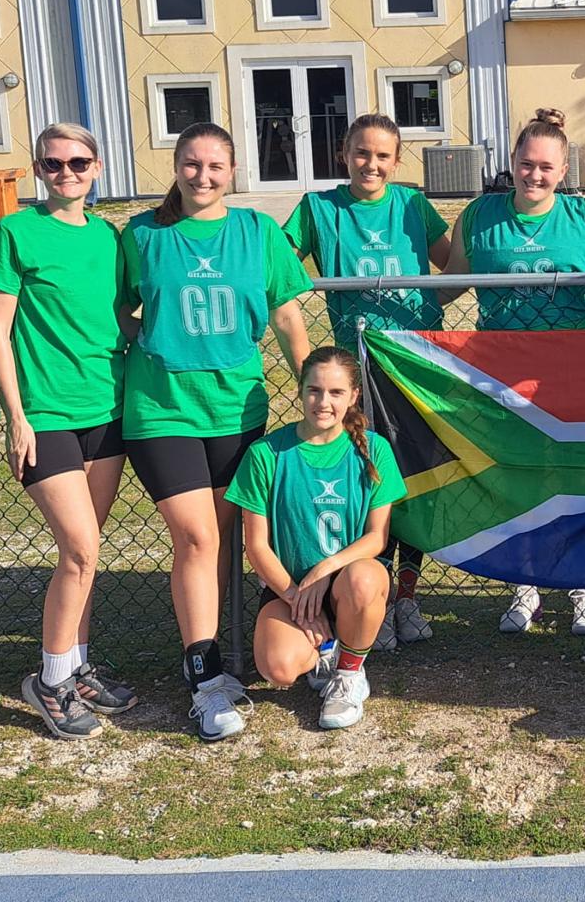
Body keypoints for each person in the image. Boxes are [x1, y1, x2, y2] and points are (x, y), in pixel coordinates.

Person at [119, 122, 312, 740]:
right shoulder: (144, 234)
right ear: (175, 166)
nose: (203, 176)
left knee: (227, 538)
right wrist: (143, 345)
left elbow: (287, 317)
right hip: (162, 410)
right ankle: (204, 678)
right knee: (198, 537)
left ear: (234, 172)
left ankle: (237, 652)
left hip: (238, 409)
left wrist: (317, 395)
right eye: (192, 164)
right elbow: (121, 305)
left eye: (216, 167)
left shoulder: (257, 233)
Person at [0, 123, 138, 740]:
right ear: (39, 170)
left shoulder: (108, 236)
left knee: (87, 553)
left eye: (77, 162)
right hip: (46, 417)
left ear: (96, 168)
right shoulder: (15, 233)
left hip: (107, 410)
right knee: (80, 549)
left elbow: (122, 315)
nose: (65, 173)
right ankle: (48, 681)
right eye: (53, 163)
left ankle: (75, 666)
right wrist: (14, 417)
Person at [282, 114, 449, 652]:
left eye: (382, 156)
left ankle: (407, 595)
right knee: (368, 478)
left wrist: (423, 311)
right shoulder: (319, 209)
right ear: (344, 155)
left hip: (415, 364)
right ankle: (364, 592)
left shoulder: (412, 206)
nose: (371, 164)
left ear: (397, 162)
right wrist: (309, 359)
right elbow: (276, 268)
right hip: (357, 371)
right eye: (361, 153)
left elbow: (459, 265)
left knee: (414, 477)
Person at [445, 108, 585, 636]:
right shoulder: (478, 216)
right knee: (517, 472)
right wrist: (397, 313)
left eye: (546, 167)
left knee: (576, 471)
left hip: (575, 365)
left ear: (564, 170)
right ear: (511, 164)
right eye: (526, 164)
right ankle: (526, 584)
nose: (534, 175)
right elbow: (449, 283)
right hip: (503, 367)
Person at [230, 347, 403, 731]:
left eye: (336, 393)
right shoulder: (266, 454)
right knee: (278, 668)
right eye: (314, 391)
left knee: (366, 576)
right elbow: (256, 548)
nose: (323, 402)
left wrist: (325, 569)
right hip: (288, 587)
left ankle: (349, 673)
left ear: (354, 396)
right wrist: (297, 597)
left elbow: (377, 538)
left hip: (346, 581)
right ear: (299, 390)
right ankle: (325, 650)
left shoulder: (374, 450)